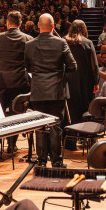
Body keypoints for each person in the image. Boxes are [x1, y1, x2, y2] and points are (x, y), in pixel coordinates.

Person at [24, 13, 77, 167]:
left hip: (38, 91)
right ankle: (56, 161)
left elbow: (27, 68)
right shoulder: (61, 43)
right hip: (56, 92)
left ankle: (41, 161)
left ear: (38, 26)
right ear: (53, 26)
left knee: (40, 127)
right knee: (55, 127)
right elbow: (73, 66)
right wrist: (61, 79)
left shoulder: (29, 45)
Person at [0, 11, 32, 154]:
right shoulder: (28, 39)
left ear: (7, 23)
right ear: (20, 24)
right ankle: (11, 145)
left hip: (0, 82)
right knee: (15, 115)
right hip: (19, 83)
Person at [64, 20, 99, 126]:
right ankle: (85, 137)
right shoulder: (87, 42)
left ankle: (70, 138)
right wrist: (96, 82)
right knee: (85, 110)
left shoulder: (63, 41)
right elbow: (94, 66)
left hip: (68, 81)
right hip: (85, 82)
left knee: (70, 110)